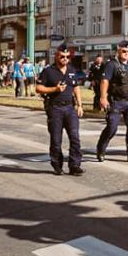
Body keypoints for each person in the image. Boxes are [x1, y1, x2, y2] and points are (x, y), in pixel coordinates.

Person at [36, 43, 84, 175]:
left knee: (75, 138)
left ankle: (75, 165)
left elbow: (76, 87)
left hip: (70, 107)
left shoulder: (71, 70)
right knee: (56, 140)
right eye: (62, 56)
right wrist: (54, 89)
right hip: (55, 108)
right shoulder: (48, 71)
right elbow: (38, 88)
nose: (65, 59)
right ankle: (57, 164)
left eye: (67, 57)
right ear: (56, 56)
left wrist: (80, 105)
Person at [96, 40, 128, 163]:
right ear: (118, 51)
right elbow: (104, 81)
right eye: (124, 51)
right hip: (116, 101)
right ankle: (101, 149)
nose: (127, 54)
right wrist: (103, 98)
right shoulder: (111, 64)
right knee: (112, 127)